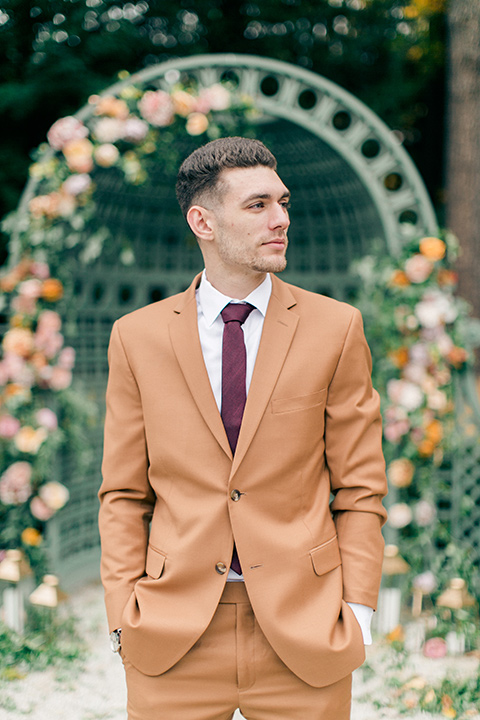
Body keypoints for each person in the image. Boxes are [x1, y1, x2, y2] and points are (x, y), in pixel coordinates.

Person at [98, 136, 388, 720]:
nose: (281, 219)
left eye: (283, 203)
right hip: (172, 632)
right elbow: (123, 493)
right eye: (257, 205)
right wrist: (124, 614)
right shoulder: (137, 337)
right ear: (201, 220)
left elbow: (361, 488)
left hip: (305, 630)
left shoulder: (336, 328)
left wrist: (357, 611)